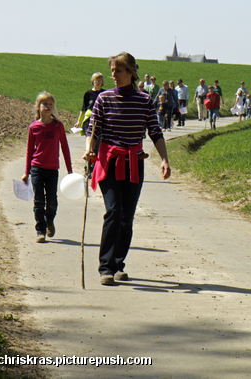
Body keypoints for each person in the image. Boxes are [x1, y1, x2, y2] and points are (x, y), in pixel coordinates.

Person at [84, 52, 170, 286]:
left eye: (118, 71)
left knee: (126, 217)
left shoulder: (144, 101)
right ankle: (105, 267)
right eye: (112, 70)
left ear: (131, 72)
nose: (114, 75)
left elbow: (155, 131)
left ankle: (118, 263)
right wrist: (89, 149)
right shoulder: (104, 99)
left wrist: (164, 159)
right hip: (109, 163)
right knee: (113, 210)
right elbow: (94, 129)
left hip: (134, 163)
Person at [22, 91, 73, 243]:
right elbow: (29, 151)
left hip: (52, 170)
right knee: (39, 201)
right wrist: (26, 173)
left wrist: (70, 171)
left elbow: (65, 148)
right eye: (45, 104)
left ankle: (49, 220)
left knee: (52, 201)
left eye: (51, 104)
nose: (48, 107)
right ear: (38, 107)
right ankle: (40, 231)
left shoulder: (58, 126)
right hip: (36, 168)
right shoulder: (34, 127)